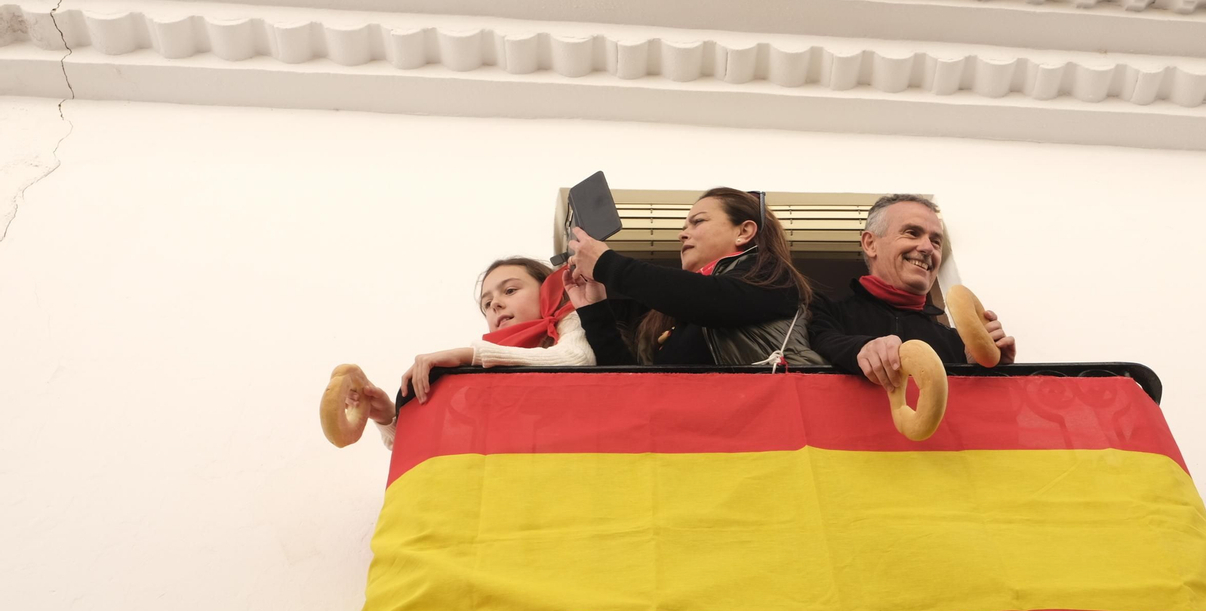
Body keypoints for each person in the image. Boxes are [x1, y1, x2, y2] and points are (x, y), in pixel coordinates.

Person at [563, 188, 825, 367]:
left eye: (697, 222)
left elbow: (713, 300)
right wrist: (594, 309)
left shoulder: (773, 278)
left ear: (744, 231)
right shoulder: (683, 308)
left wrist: (608, 264)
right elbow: (637, 383)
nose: (682, 234)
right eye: (684, 226)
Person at [352, 257, 597, 448]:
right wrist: (387, 418)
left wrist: (468, 356)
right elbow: (444, 443)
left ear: (547, 292)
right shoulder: (486, 369)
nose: (495, 304)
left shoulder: (570, 320)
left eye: (510, 291)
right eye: (486, 304)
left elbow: (577, 360)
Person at [808, 194, 1015, 387]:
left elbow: (985, 420)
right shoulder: (823, 312)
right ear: (871, 244)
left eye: (936, 241)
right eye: (912, 233)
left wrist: (984, 372)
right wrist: (861, 348)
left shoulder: (955, 342)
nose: (927, 248)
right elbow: (820, 343)